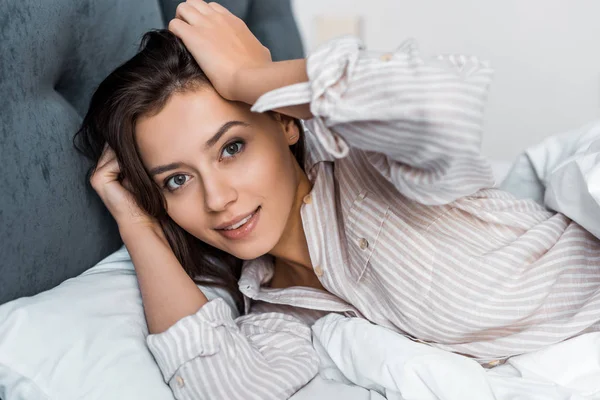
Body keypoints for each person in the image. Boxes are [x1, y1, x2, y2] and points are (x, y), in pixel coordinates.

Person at [75, 1, 600, 399]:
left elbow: (442, 98)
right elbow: (222, 383)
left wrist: (249, 78)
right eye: (176, 181)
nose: (217, 198)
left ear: (284, 123)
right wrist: (136, 224)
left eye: (232, 147)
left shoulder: (370, 162)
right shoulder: (272, 304)